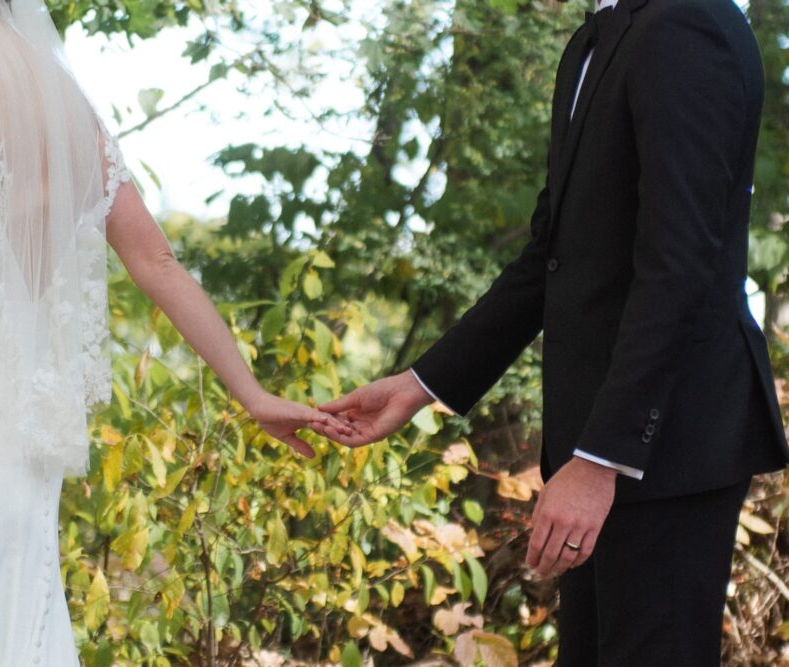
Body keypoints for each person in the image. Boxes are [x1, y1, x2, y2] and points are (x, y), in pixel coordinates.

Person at [0, 0, 347, 663]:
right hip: (24, 427)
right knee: (14, 629)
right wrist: (251, 393)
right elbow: (157, 262)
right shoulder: (66, 107)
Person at [311, 0, 789, 664]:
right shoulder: (598, 39)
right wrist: (421, 384)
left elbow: (681, 267)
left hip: (669, 448)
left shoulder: (686, 25)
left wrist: (599, 461)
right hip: (612, 444)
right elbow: (552, 256)